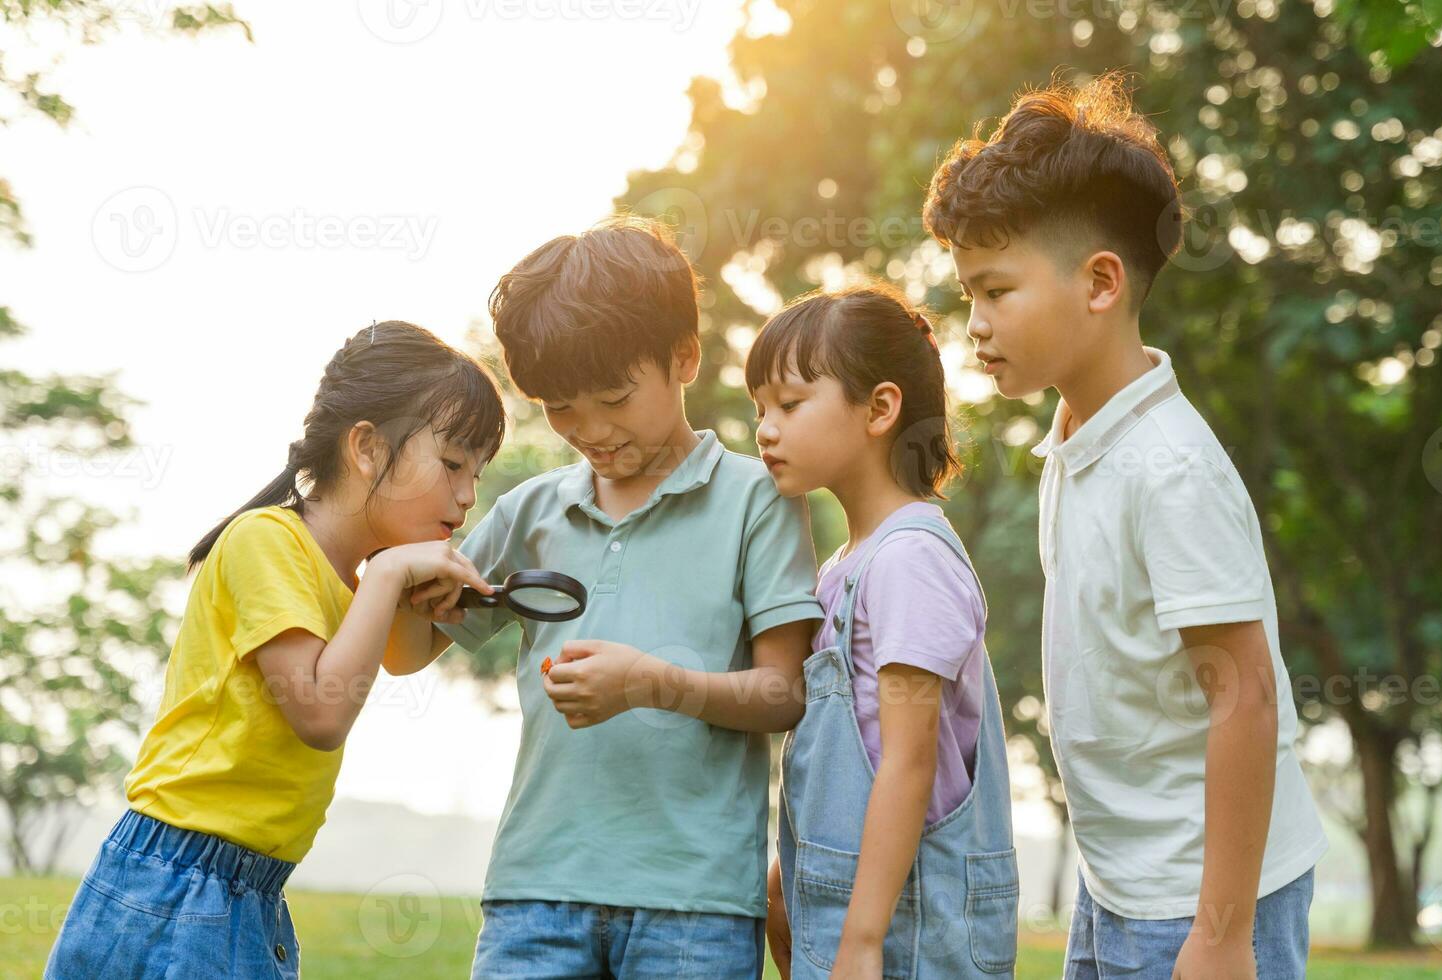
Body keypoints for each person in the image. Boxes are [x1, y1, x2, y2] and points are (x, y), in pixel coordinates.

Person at [924, 73, 1329, 980]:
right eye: (967, 299)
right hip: (1120, 888)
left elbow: (1246, 699)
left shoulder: (1170, 468)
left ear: (1101, 282)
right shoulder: (1074, 438)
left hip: (1207, 899)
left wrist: (1220, 935)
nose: (976, 327)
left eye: (996, 292)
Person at [413, 217, 824, 979]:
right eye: (561, 408)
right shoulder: (529, 513)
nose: (590, 430)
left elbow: (784, 693)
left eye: (613, 396)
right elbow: (409, 652)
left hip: (694, 905)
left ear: (684, 357)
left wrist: (648, 683)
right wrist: (411, 579)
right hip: (534, 892)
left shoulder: (756, 500)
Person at [45, 320, 505, 979]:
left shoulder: (354, 583)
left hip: (248, 891)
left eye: (477, 474)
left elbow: (403, 655)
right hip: (174, 883)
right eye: (453, 464)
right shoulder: (266, 540)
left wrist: (407, 585)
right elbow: (320, 713)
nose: (467, 496)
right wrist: (386, 577)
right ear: (368, 448)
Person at [748, 282, 1018, 979]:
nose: (765, 428)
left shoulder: (910, 559)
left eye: (789, 403)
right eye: (759, 410)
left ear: (880, 408)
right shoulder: (846, 565)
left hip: (910, 933)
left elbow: (908, 759)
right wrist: (793, 879)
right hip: (847, 917)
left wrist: (863, 938)